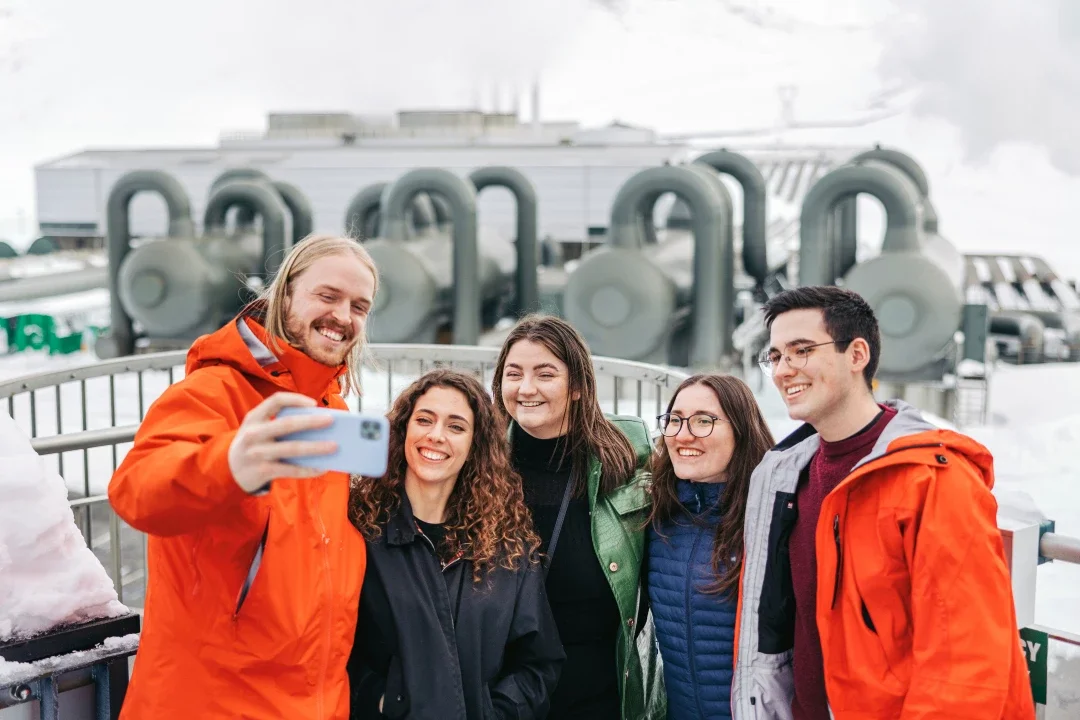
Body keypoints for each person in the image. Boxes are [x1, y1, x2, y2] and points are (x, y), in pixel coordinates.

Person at [731, 285, 1035, 719]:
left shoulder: (933, 479)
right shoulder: (783, 474)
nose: (783, 370)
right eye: (776, 356)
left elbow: (965, 665)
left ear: (857, 355)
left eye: (801, 350)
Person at [108, 234, 379, 719]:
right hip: (214, 701)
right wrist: (230, 465)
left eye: (360, 305)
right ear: (287, 293)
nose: (344, 316)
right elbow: (137, 489)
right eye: (328, 296)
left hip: (312, 703)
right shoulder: (217, 389)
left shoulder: (330, 409)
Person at [346, 368, 563, 720]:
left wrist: (492, 714)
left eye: (456, 426)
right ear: (403, 430)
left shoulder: (508, 548)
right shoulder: (362, 532)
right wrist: (382, 700)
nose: (436, 436)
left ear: (475, 445)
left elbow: (539, 663)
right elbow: (330, 644)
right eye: (424, 420)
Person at [492, 314, 666, 720]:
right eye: (513, 373)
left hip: (597, 690)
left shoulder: (629, 461)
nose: (526, 388)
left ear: (577, 388)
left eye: (545, 373)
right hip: (502, 691)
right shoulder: (479, 465)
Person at [646, 374, 774, 719]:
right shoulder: (659, 517)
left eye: (704, 421)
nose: (684, 434)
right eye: (675, 420)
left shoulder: (774, 520)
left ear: (741, 430)